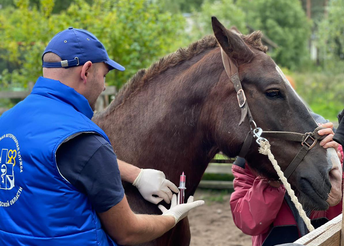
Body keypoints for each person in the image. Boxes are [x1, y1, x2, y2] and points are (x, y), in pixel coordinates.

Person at [0, 27, 204, 246]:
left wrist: (135, 174)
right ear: (86, 71)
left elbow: (58, 159)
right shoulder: (85, 138)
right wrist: (170, 218)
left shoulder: (6, 123)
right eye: (104, 75)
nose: (104, 85)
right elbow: (128, 232)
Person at [230, 113, 344, 246]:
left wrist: (335, 164)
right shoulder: (250, 162)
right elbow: (248, 222)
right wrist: (272, 179)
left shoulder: (336, 149)